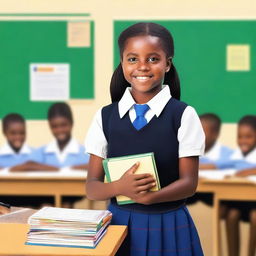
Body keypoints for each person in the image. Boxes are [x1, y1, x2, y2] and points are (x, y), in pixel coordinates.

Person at [85, 22, 205, 256]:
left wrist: (151, 198)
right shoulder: (105, 117)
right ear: (122, 63)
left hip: (169, 223)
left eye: (153, 59)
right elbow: (92, 188)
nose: (142, 67)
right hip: (121, 224)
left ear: (167, 64)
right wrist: (120, 187)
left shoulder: (183, 115)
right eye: (132, 59)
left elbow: (189, 183)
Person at [222, 115, 256, 256]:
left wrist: (248, 171)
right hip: (239, 201)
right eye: (240, 137)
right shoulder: (235, 155)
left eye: (248, 137)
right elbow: (220, 165)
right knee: (232, 215)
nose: (243, 141)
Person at [26, 102, 89, 170]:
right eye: (54, 126)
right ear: (49, 126)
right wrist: (57, 170)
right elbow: (20, 168)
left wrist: (70, 169)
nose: (59, 130)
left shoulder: (85, 154)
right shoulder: (41, 152)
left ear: (71, 123)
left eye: (63, 125)